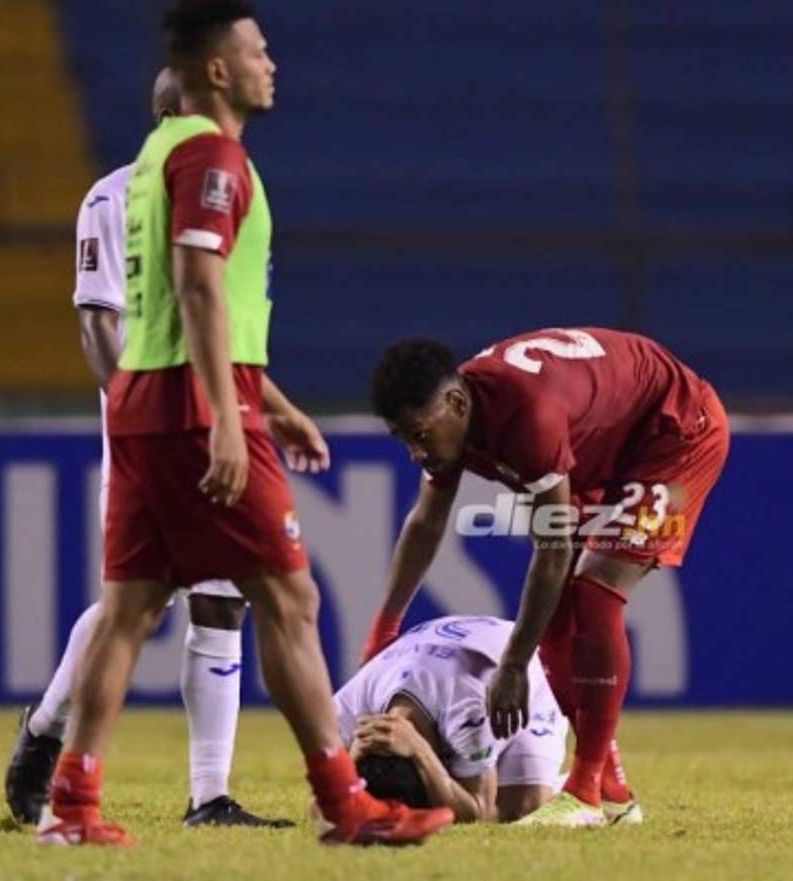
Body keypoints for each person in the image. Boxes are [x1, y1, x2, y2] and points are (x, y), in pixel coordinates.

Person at [38, 0, 453, 846]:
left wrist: (277, 405)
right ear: (218, 70)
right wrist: (230, 420)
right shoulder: (213, 155)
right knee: (289, 597)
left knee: (128, 611)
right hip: (196, 410)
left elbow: (185, 304)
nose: (273, 64)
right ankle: (347, 803)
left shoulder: (154, 155)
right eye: (258, 51)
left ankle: (70, 807)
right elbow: (196, 285)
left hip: (144, 404)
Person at [5, 68, 289, 830]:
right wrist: (145, 416)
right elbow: (98, 323)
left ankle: (209, 794)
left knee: (225, 594)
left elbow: (231, 326)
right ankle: (44, 734)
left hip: (218, 418)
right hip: (149, 428)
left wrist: (250, 410)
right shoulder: (116, 195)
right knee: (140, 601)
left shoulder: (238, 192)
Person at [365, 326, 730, 827]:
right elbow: (426, 522)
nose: (417, 452)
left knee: (594, 591)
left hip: (674, 431)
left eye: (420, 434)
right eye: (404, 439)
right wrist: (384, 627)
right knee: (556, 616)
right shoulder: (458, 417)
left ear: (455, 401)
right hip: (607, 445)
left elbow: (552, 551)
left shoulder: (526, 418)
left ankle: (584, 794)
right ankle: (614, 792)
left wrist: (513, 665)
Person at [335, 615, 567, 823]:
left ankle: (585, 785)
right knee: (453, 787)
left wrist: (420, 752)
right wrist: (351, 760)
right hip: (445, 646)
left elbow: (480, 811)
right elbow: (321, 805)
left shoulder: (469, 712)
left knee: (520, 809)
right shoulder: (342, 716)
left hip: (521, 669)